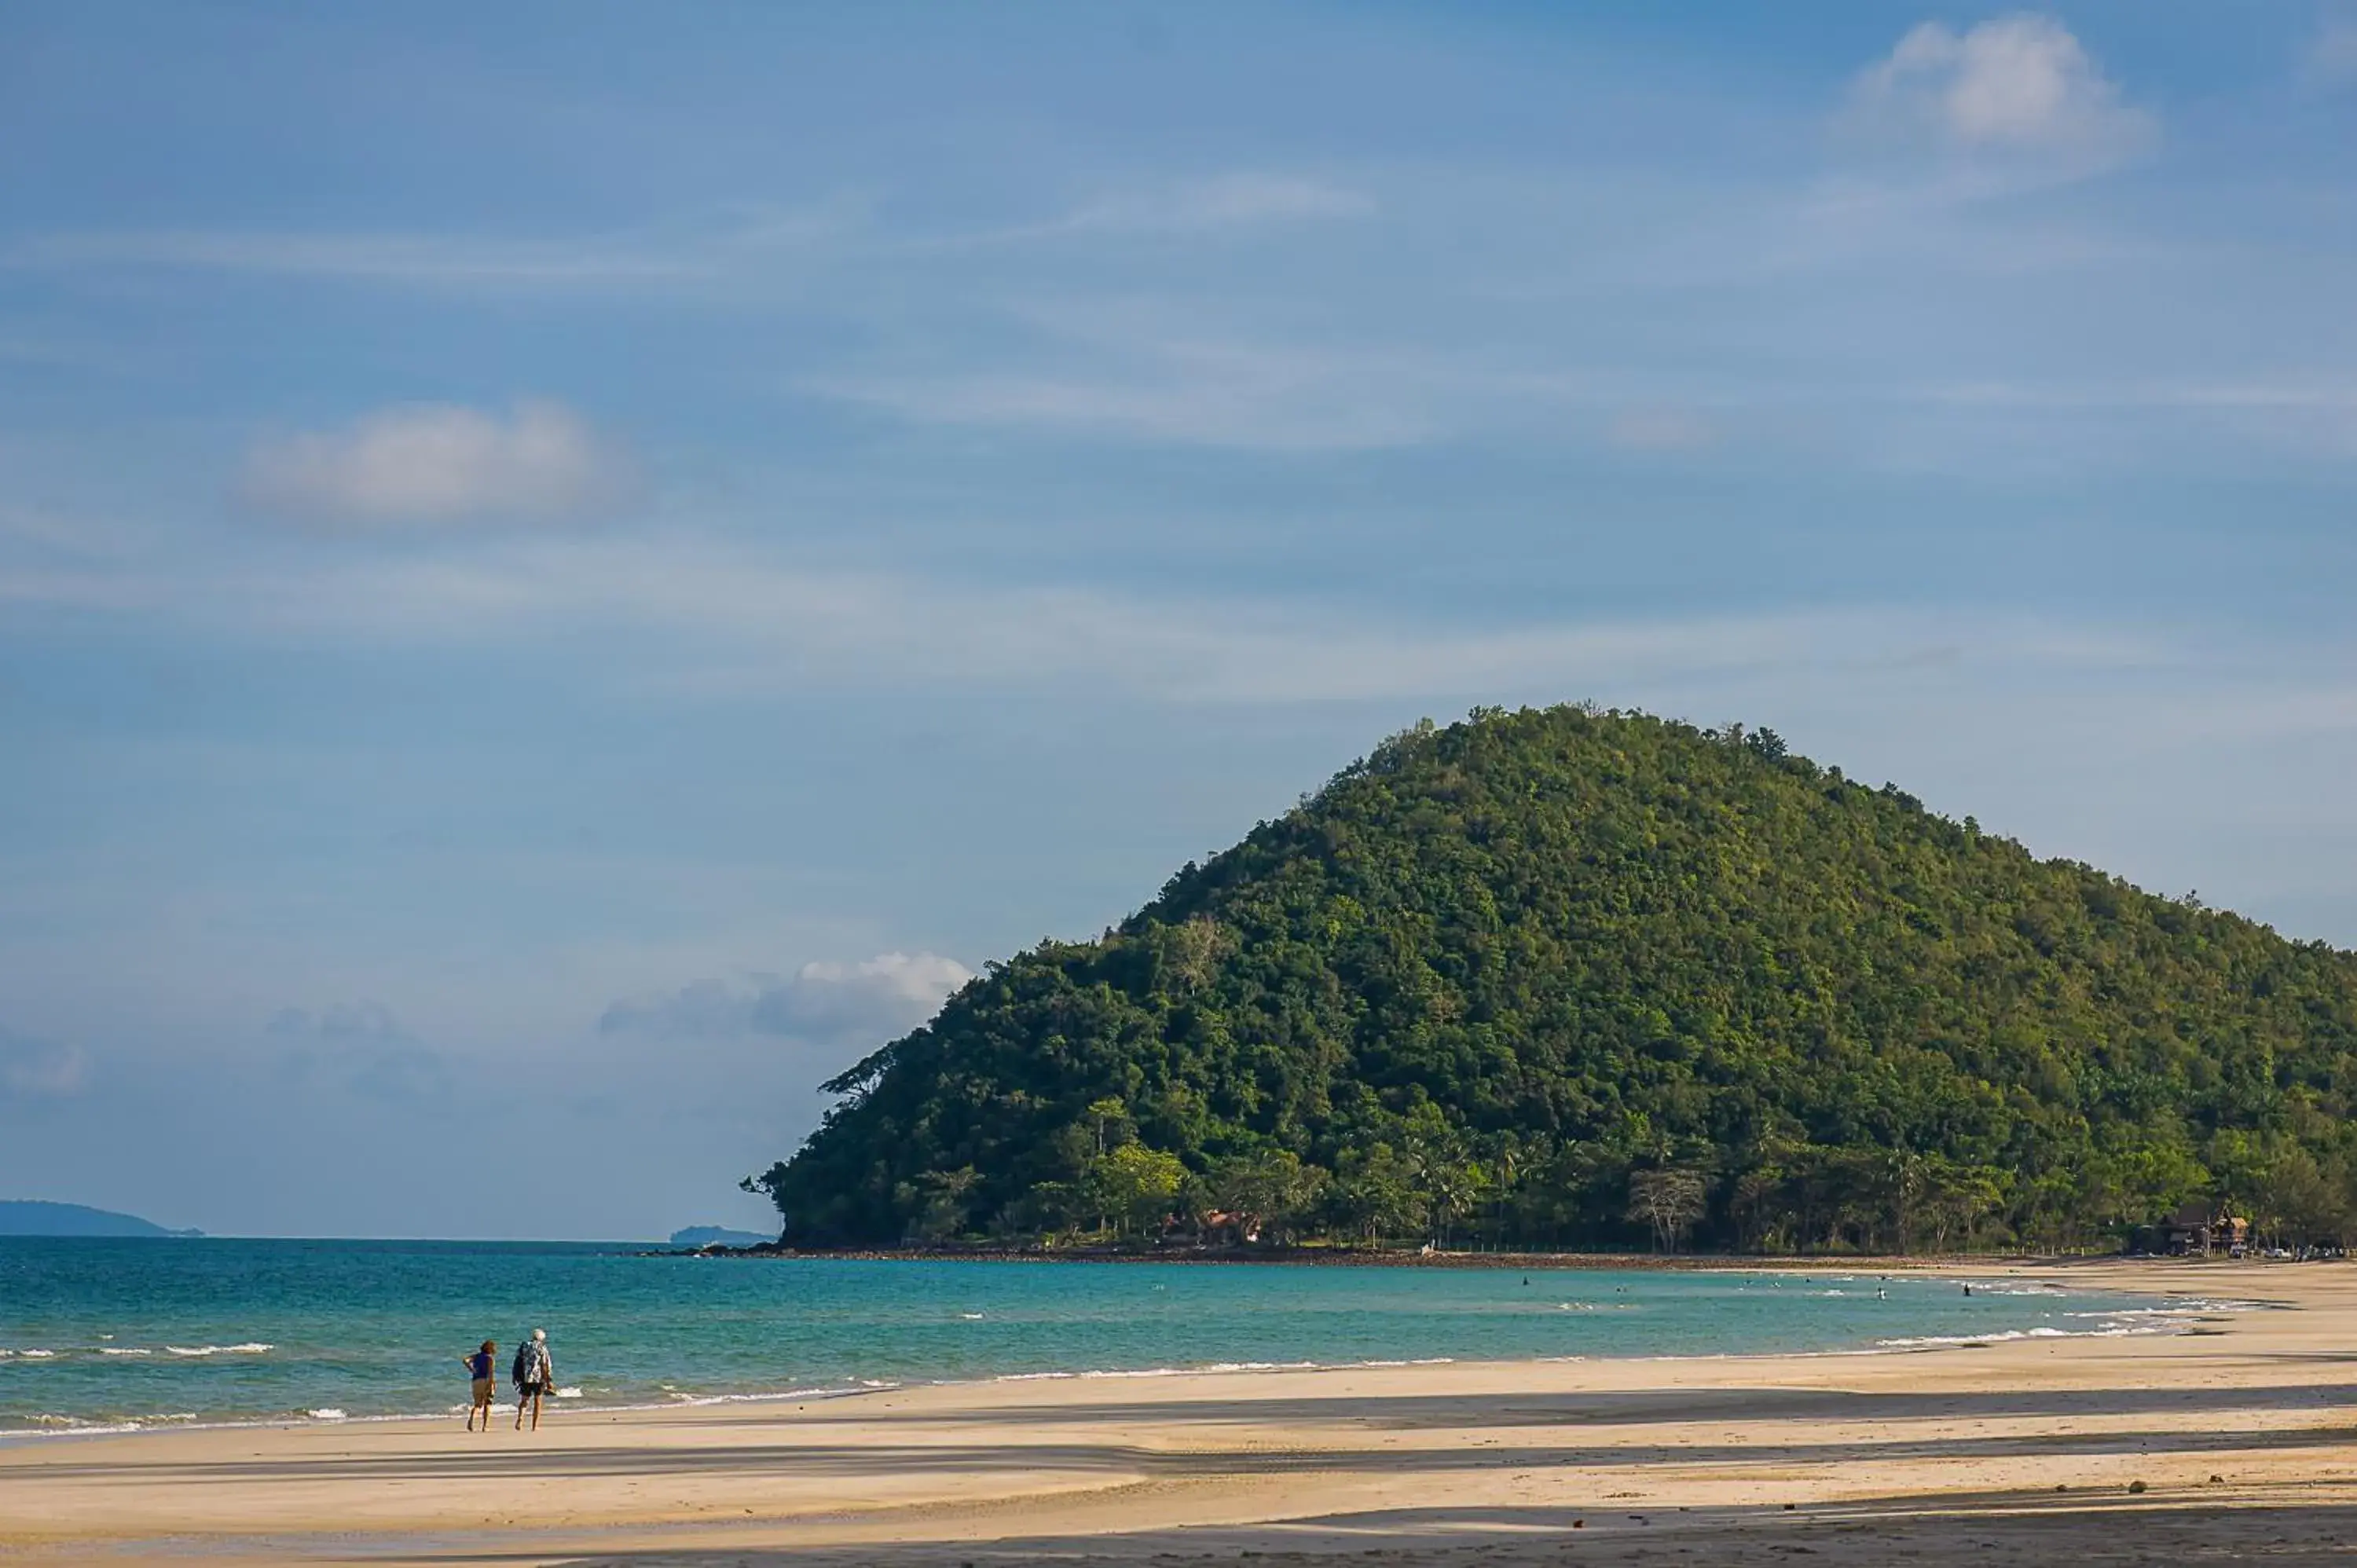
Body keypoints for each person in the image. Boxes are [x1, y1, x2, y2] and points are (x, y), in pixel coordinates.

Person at [511, 1328, 554, 1431]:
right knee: (537, 1402)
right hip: (538, 1378)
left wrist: (514, 1376)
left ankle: (520, 1418)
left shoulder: (524, 1345)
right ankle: (535, 1426)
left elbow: (517, 1361)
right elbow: (545, 1365)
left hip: (525, 1377)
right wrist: (549, 1380)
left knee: (524, 1400)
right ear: (541, 1338)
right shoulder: (542, 1347)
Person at [461, 1339, 497, 1431]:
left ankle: (471, 1419)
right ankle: (485, 1426)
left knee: (478, 1404)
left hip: (476, 1381)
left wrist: (472, 1369)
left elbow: (465, 1360)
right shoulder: (490, 1358)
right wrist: (492, 1383)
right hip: (486, 1381)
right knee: (488, 1404)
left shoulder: (477, 1356)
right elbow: (491, 1372)